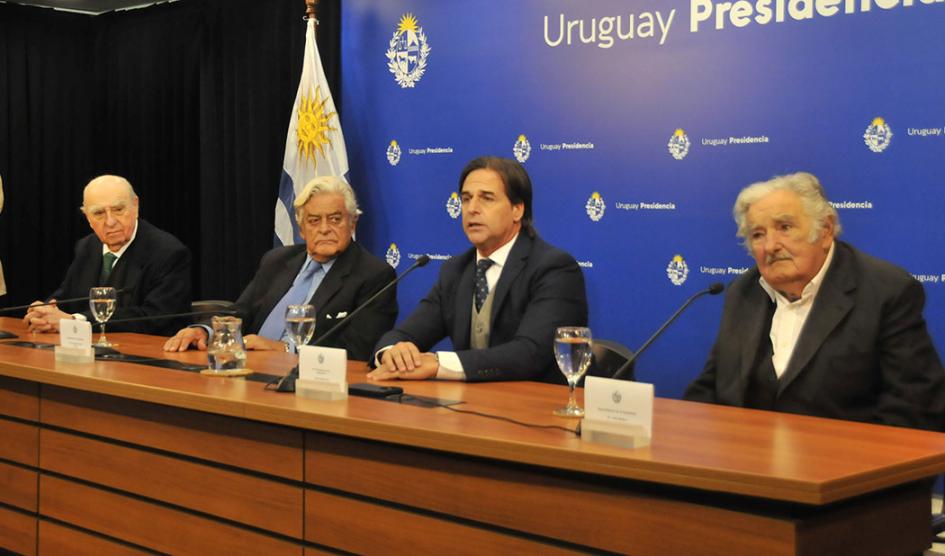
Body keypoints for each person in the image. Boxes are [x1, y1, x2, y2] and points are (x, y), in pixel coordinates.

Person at [684, 172, 945, 431]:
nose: (771, 245)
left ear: (825, 230)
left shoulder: (885, 291)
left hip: (845, 464)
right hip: (747, 462)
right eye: (758, 235)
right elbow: (712, 386)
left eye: (784, 227)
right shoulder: (743, 292)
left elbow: (915, 408)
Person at [368, 156, 588, 383]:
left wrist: (438, 364)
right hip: (471, 407)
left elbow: (529, 354)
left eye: (487, 199)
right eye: (466, 199)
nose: (472, 209)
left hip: (537, 408)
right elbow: (404, 334)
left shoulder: (554, 269)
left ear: (517, 210)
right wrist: (392, 353)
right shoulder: (455, 270)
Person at [163, 176, 396, 361]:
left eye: (335, 219)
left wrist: (285, 349)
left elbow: (358, 351)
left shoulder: (374, 275)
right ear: (302, 229)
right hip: (247, 367)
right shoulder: (277, 260)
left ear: (352, 223)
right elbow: (240, 312)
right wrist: (206, 332)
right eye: (314, 221)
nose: (324, 229)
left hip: (310, 383)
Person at [23, 175, 192, 336]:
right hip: (89, 353)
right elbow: (68, 296)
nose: (110, 222)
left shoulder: (168, 252)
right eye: (98, 213)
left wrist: (76, 321)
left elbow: (151, 316)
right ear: (88, 218)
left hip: (146, 355)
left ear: (136, 206)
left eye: (118, 210)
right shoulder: (87, 246)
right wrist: (46, 312)